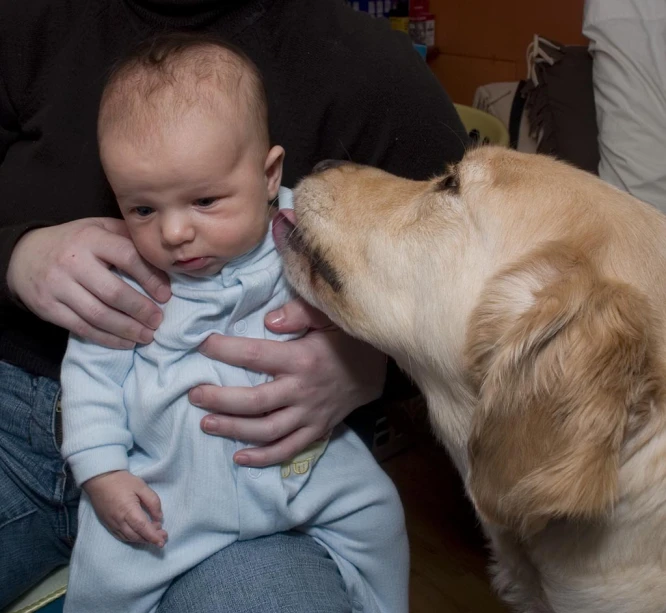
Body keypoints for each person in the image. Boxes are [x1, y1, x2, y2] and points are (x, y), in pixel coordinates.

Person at [0, 0, 467, 610]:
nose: (172, 235)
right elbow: (92, 373)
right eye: (141, 209)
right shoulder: (140, 277)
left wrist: (372, 356)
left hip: (275, 480)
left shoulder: (307, 222)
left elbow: (460, 288)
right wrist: (15, 253)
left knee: (374, 518)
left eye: (206, 201)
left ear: (271, 176)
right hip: (82, 454)